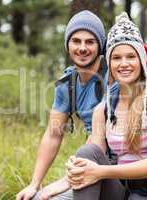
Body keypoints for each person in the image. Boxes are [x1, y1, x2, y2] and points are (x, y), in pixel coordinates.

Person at [63, 12, 147, 200]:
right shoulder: (104, 109)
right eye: (116, 58)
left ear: (140, 60)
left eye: (130, 56)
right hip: (122, 190)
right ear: (109, 63)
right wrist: (56, 185)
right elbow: (91, 160)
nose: (124, 64)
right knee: (86, 152)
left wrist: (100, 172)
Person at [16, 10, 109, 200]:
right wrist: (35, 184)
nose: (82, 48)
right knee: (35, 198)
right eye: (76, 41)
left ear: (100, 46)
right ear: (68, 45)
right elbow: (53, 134)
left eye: (90, 42)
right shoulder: (68, 83)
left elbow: (100, 138)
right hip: (87, 162)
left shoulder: (112, 76)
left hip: (115, 167)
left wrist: (65, 181)